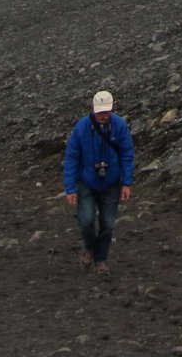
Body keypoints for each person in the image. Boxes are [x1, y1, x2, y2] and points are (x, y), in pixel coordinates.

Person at [61, 90, 135, 272]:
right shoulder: (81, 128)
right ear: (93, 109)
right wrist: (70, 188)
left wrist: (127, 183)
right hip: (87, 181)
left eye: (106, 111)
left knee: (107, 224)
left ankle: (101, 259)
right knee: (86, 220)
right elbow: (71, 158)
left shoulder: (119, 126)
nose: (103, 115)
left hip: (111, 182)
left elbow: (127, 154)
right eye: (100, 111)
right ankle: (90, 248)